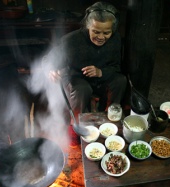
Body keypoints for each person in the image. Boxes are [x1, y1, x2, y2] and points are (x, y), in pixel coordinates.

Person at [47, 1, 127, 145]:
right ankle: (76, 125)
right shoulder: (71, 40)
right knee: (83, 89)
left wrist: (100, 72)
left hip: (101, 79)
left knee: (120, 81)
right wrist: (51, 69)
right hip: (77, 79)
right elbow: (49, 59)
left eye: (106, 32)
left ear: (112, 30)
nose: (101, 37)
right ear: (88, 26)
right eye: (96, 31)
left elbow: (116, 67)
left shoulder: (115, 40)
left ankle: (108, 120)